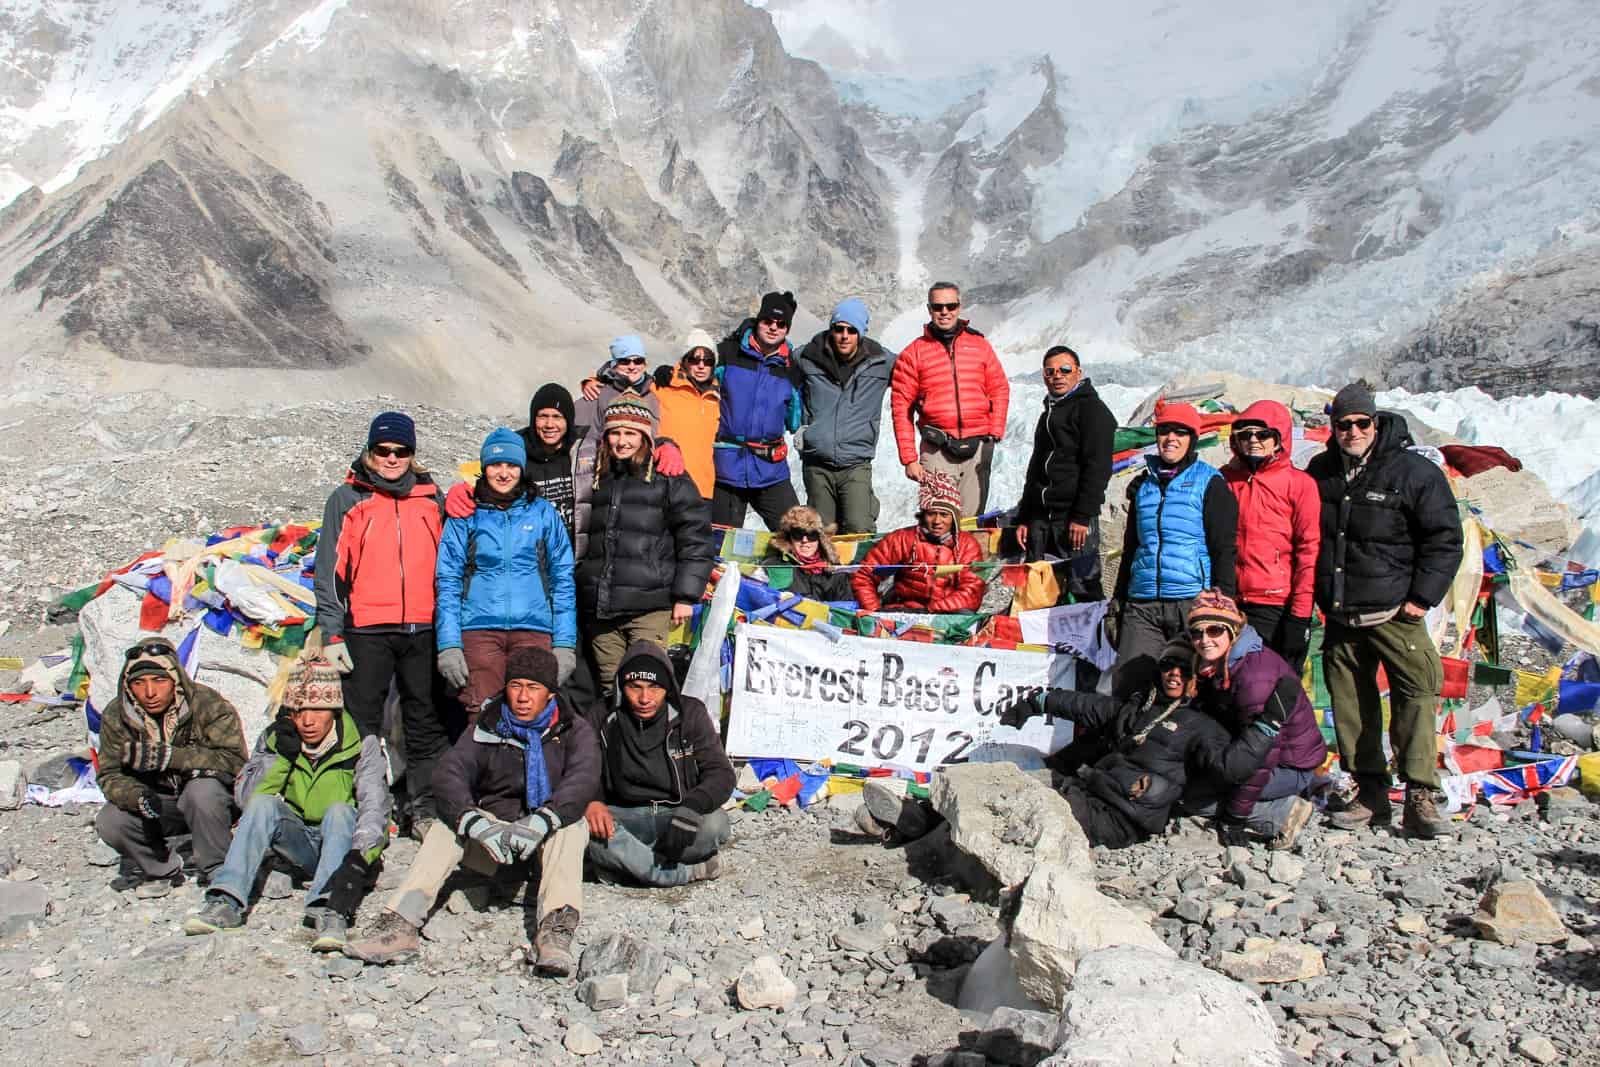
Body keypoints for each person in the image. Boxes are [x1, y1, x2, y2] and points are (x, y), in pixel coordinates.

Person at [343, 648, 599, 974]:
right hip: (493, 840)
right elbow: (449, 774)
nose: (522, 696)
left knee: (571, 826)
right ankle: (400, 925)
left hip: (541, 841)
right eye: (516, 685)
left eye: (533, 688)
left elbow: (582, 779)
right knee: (446, 827)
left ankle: (554, 932)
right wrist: (476, 823)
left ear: (549, 692)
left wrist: (540, 821)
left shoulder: (573, 730)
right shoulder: (488, 725)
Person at [1307, 384, 1463, 838]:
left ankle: (1420, 794)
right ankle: (1369, 792)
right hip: (1341, 613)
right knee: (1351, 705)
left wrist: (1422, 598)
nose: (1352, 431)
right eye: (1343, 425)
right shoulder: (1322, 472)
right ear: (1332, 428)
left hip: (1397, 610)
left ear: (1376, 423)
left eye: (1361, 423)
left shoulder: (1413, 472)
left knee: (1416, 695)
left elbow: (1444, 538)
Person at [989, 638, 1304, 849]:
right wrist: (1038, 702)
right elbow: (1086, 706)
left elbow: (1232, 767)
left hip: (1126, 816)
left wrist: (1267, 725)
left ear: (1197, 678)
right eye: (1168, 666)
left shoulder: (1203, 727)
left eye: (1184, 669)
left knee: (1032, 820)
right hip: (1091, 792)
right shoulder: (1138, 708)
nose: (1174, 674)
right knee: (1009, 797)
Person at [183, 659, 389, 950]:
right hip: (301, 842)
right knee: (265, 805)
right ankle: (226, 901)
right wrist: (281, 758)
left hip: (346, 848)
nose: (308, 721)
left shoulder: (361, 742)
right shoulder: (277, 738)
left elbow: (375, 806)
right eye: (298, 711)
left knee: (340, 811)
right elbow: (246, 801)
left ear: (334, 709)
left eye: (317, 710)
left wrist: (360, 858)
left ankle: (330, 908)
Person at [315, 411, 449, 834]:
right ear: (370, 452)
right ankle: (367, 803)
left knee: (424, 718)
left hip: (423, 627)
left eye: (401, 451)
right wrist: (331, 631)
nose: (392, 458)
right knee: (362, 720)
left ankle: (423, 807)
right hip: (368, 627)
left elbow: (449, 563)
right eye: (383, 450)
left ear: (412, 454)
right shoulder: (348, 498)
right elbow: (331, 571)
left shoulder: (431, 498)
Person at [435, 428, 579, 719]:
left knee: (532, 714)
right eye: (495, 465)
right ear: (484, 468)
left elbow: (562, 578)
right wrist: (448, 644)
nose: (504, 473)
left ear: (522, 468)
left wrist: (565, 644)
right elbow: (448, 579)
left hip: (534, 630)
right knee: (482, 712)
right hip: (479, 631)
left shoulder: (542, 513)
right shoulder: (466, 514)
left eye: (511, 465)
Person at [577, 398, 715, 693]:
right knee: (610, 688)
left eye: (630, 433)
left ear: (645, 436)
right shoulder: (599, 474)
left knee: (646, 689)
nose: (622, 441)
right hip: (602, 609)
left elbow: (696, 536)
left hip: (649, 607)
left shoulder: (668, 475)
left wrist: (686, 596)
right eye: (615, 433)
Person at [94, 638, 246, 891]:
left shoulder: (207, 704)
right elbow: (109, 774)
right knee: (110, 820)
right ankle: (161, 868)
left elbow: (236, 761)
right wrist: (136, 796)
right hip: (158, 804)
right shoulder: (117, 715)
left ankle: (217, 869)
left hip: (211, 804)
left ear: (174, 680)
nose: (150, 692)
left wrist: (173, 758)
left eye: (159, 681)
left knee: (202, 791)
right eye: (139, 683)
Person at [1110, 402, 1238, 698]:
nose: (1171, 438)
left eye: (1181, 432)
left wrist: (1224, 599)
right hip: (1143, 604)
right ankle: (1129, 742)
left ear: (1192, 438)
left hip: (1192, 600)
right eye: (1165, 430)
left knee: (1196, 688)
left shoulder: (1210, 483)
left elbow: (1223, 548)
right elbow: (1132, 546)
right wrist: (1119, 599)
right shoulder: (1144, 485)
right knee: (1130, 685)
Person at [583, 642, 735, 886]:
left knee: (715, 825)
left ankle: (628, 864)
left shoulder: (690, 713)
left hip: (676, 812)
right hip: (624, 817)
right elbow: (580, 770)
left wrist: (693, 807)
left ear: (668, 688)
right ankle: (682, 872)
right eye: (635, 687)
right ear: (622, 687)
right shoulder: (601, 715)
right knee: (582, 830)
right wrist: (592, 801)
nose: (645, 698)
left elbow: (721, 774)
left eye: (655, 687)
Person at [1185, 591, 1325, 848]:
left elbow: (1264, 754)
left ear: (1232, 631)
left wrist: (1235, 816)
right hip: (1258, 755)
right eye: (1197, 632)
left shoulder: (1253, 677)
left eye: (1215, 630)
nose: (1204, 640)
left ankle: (1282, 815)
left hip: (1289, 765)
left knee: (1194, 799)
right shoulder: (1219, 664)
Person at [890, 282, 1010, 516]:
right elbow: (901, 408)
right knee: (937, 525)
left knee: (970, 524)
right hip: (937, 450)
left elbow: (999, 388)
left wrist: (995, 430)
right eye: (938, 306)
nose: (944, 311)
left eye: (950, 305)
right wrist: (909, 459)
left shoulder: (980, 346)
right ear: (929, 309)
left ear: (959, 307)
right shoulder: (913, 353)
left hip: (977, 449)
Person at [1221, 400, 1320, 673]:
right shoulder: (1224, 480)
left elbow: (1309, 550)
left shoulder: (1299, 484)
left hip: (1276, 602)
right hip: (1231, 600)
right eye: (1245, 435)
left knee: (1276, 686)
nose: (1253, 440)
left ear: (1279, 439)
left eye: (1263, 434)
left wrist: (1299, 615)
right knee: (1229, 685)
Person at [1013, 345, 1116, 602]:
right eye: (1050, 371)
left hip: (1074, 519)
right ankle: (1041, 642)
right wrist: (1025, 517)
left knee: (1084, 584)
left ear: (1078, 372)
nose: (1057, 375)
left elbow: (1097, 467)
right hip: (1041, 519)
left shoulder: (1093, 411)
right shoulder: (1048, 414)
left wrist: (1082, 516)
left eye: (1065, 369)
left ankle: (1092, 639)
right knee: (1037, 588)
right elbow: (1036, 468)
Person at [795, 298, 896, 534]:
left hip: (855, 463)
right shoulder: (806, 358)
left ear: (861, 333)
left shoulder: (881, 362)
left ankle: (859, 572)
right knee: (821, 532)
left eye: (852, 330)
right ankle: (822, 572)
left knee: (859, 527)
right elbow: (774, 372)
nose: (844, 335)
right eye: (839, 329)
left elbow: (917, 373)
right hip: (817, 463)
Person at [712, 291, 805, 530]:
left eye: (781, 324)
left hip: (770, 468)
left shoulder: (791, 368)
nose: (774, 328)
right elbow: (695, 374)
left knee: (798, 534)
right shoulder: (726, 354)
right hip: (727, 466)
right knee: (722, 544)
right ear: (758, 321)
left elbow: (794, 419)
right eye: (768, 321)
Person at [851, 471, 986, 614]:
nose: (937, 521)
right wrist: (874, 611)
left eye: (944, 515)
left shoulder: (967, 546)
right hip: (904, 610)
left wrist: (929, 611)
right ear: (923, 515)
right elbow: (863, 574)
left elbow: (972, 592)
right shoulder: (903, 539)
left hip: (947, 614)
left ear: (954, 518)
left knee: (965, 615)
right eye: (931, 514)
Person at [654, 330, 721, 500]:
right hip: (664, 483)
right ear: (684, 360)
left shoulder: (718, 397)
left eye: (707, 360)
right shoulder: (662, 386)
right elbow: (628, 378)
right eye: (694, 359)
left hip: (702, 489)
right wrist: (597, 380)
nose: (701, 366)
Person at [760, 504, 853, 602]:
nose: (805, 540)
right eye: (798, 534)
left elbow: (847, 608)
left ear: (820, 539)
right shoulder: (774, 566)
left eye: (811, 534)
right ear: (789, 537)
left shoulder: (836, 572)